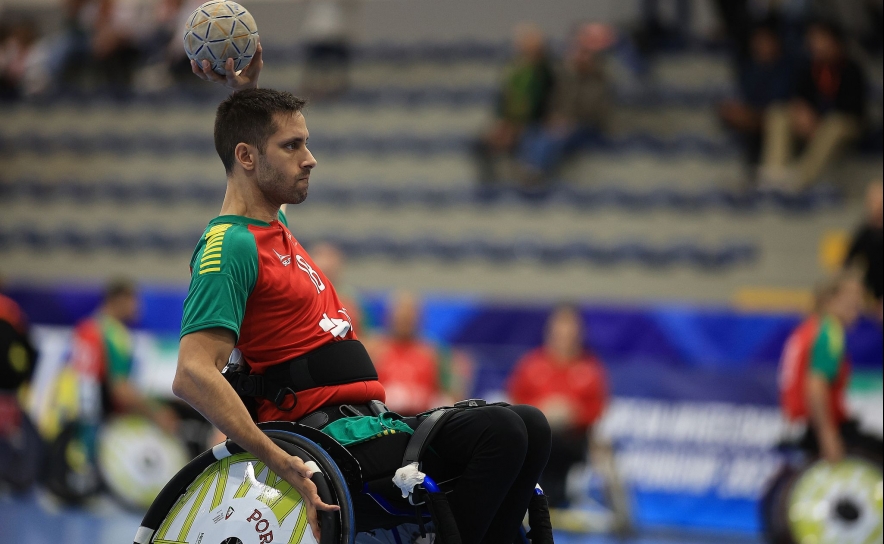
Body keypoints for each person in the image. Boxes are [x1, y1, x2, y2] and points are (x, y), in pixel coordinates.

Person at [176, 53, 551, 542]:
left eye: (305, 143)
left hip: (368, 426)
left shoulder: (271, 227)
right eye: (292, 146)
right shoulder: (230, 246)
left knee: (531, 426)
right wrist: (279, 460)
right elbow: (192, 373)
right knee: (501, 432)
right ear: (248, 158)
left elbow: (242, 142)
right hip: (322, 441)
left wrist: (245, 90)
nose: (310, 158)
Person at [508, 305, 608, 508]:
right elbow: (514, 402)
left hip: (574, 440)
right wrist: (541, 410)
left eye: (569, 332)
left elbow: (597, 408)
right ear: (550, 332)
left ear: (578, 334)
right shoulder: (531, 365)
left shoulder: (591, 368)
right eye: (560, 331)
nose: (564, 337)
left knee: (601, 449)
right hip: (536, 438)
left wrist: (575, 413)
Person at [778, 271, 882, 463]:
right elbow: (816, 385)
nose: (858, 304)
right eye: (851, 297)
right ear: (829, 300)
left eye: (860, 297)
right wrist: (828, 436)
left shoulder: (809, 328)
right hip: (816, 425)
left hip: (800, 422)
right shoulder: (830, 332)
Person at [67, 278, 180, 439]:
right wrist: (156, 412)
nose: (138, 307)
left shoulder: (85, 328)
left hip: (73, 420)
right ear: (120, 300)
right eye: (134, 300)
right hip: (99, 426)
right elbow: (120, 389)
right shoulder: (115, 335)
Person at [760, 20, 867, 189]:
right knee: (778, 112)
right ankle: (774, 174)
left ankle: (800, 179)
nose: (816, 45)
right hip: (812, 124)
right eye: (813, 40)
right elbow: (796, 97)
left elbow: (854, 110)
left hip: (843, 126)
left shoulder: (852, 69)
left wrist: (820, 120)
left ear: (835, 42)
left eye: (821, 40)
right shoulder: (808, 67)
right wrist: (802, 112)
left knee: (835, 124)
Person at [518, 23, 614, 185]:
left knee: (553, 138)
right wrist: (554, 118)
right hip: (561, 123)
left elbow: (595, 112)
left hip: (588, 128)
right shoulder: (564, 76)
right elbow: (555, 102)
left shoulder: (600, 81)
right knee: (532, 132)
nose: (580, 57)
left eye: (585, 53)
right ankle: (527, 168)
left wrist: (568, 122)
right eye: (577, 52)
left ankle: (538, 174)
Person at [473, 24, 555, 185]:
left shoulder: (545, 73)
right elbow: (504, 99)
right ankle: (489, 184)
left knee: (529, 139)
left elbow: (543, 103)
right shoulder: (515, 71)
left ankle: (526, 179)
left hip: (533, 123)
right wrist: (502, 121)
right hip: (510, 121)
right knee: (480, 142)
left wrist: (519, 125)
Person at [365, 292, 472, 415]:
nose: (404, 320)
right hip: (381, 419)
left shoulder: (433, 352)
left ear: (419, 318)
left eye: (409, 316)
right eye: (400, 315)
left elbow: (452, 394)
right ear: (389, 316)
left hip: (422, 421)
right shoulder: (373, 350)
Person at [718, 21, 794, 170]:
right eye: (758, 41)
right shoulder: (749, 68)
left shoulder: (788, 67)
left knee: (776, 114)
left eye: (765, 41)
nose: (761, 45)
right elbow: (747, 97)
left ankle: (773, 173)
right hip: (754, 117)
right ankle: (752, 167)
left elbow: (782, 99)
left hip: (782, 116)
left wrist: (754, 114)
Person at [844, 181, 883, 321]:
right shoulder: (864, 232)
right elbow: (848, 263)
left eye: (879, 201)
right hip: (871, 294)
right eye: (873, 201)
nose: (877, 206)